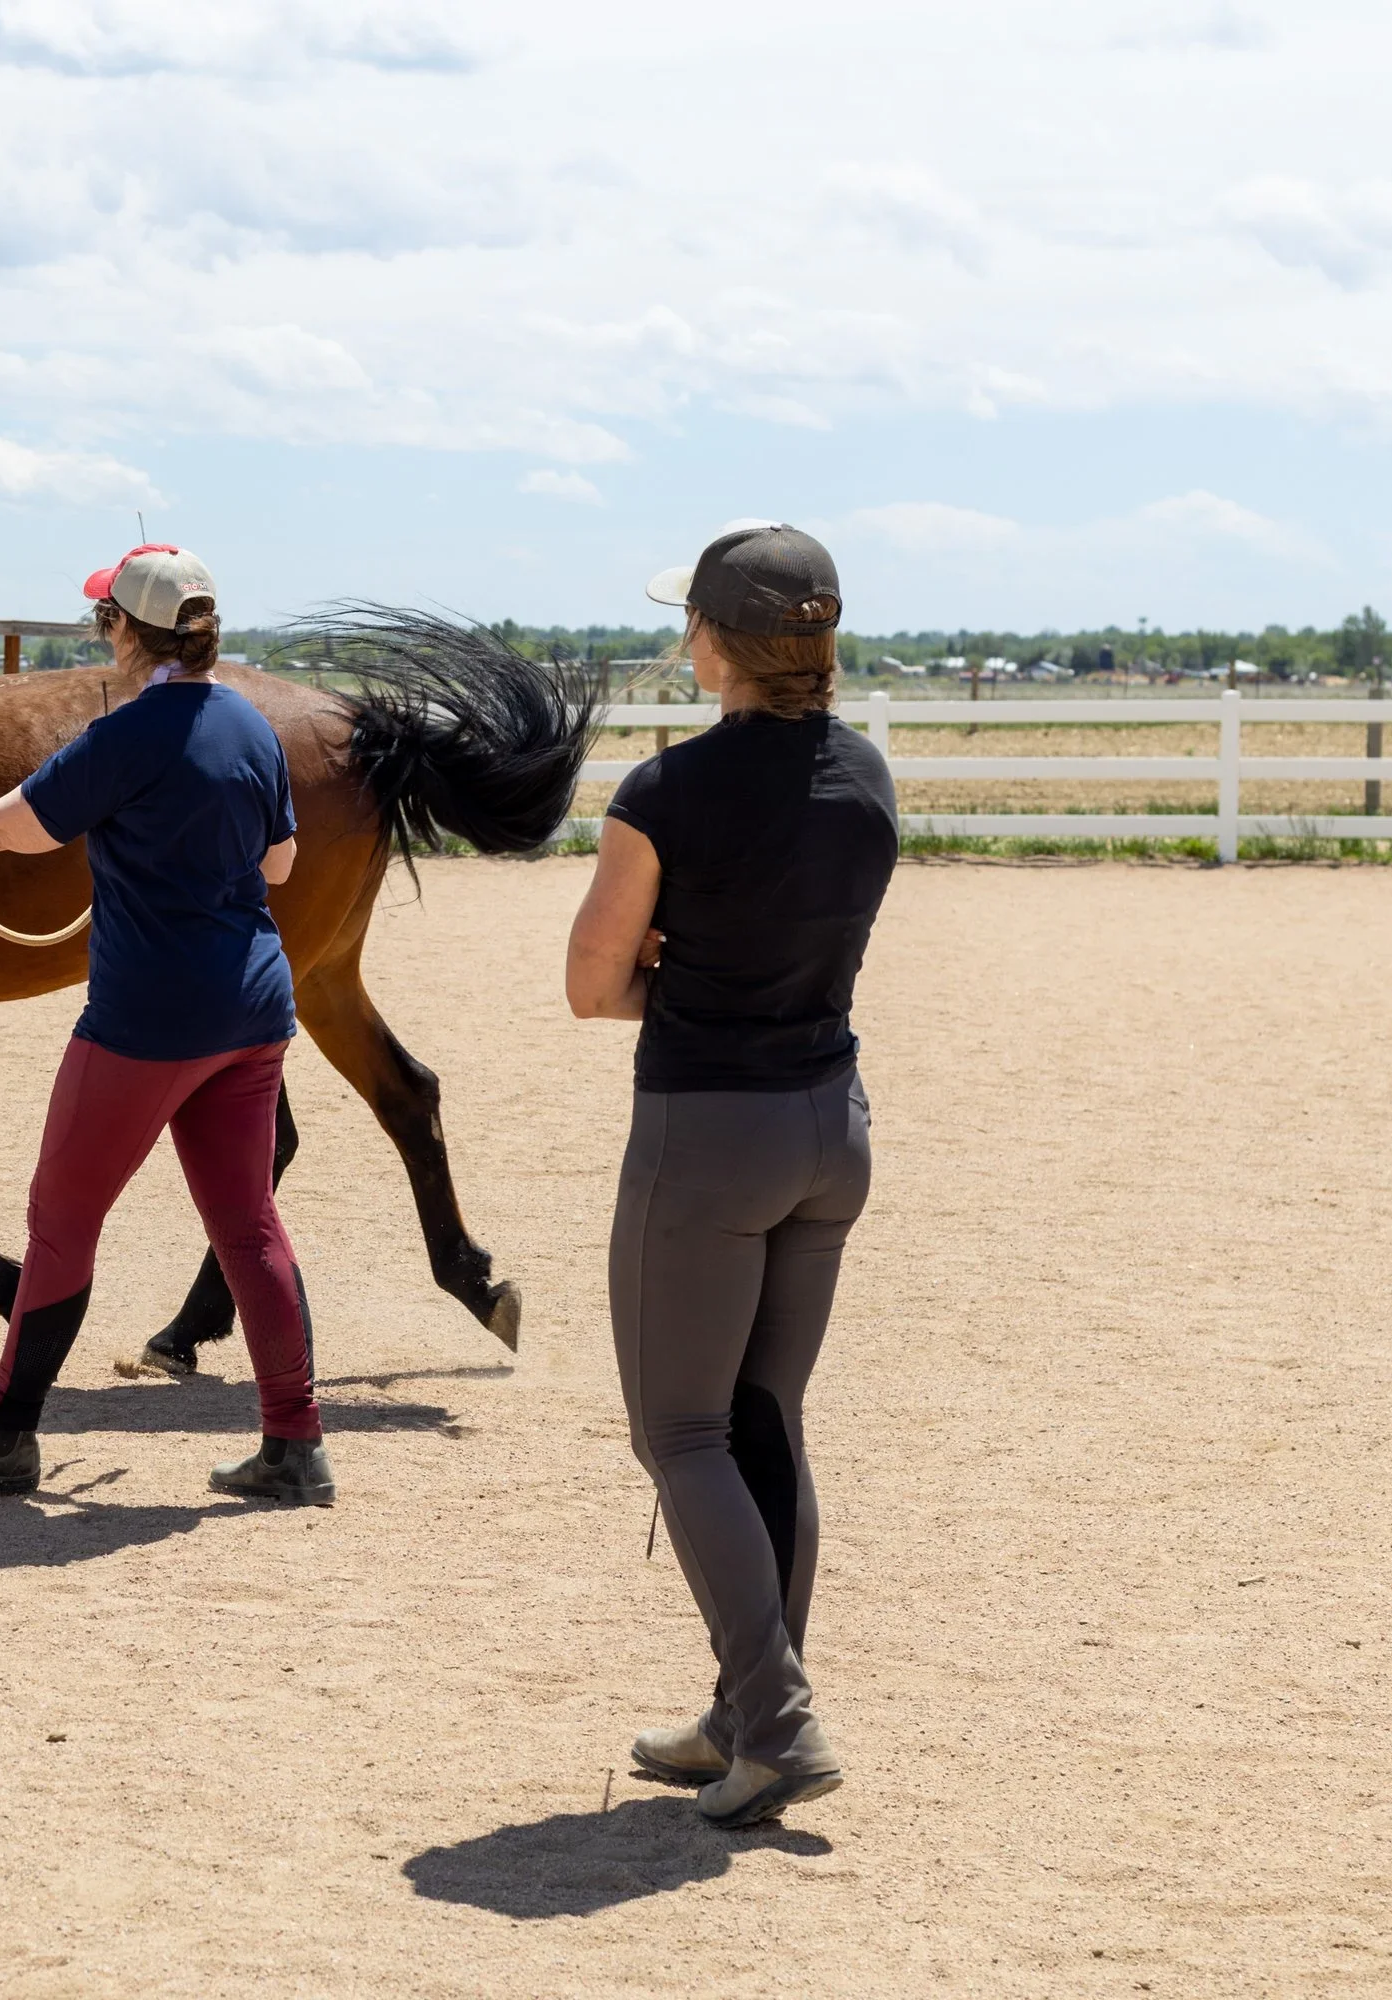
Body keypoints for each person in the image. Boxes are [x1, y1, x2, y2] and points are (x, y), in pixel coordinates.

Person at [0, 545, 333, 1504]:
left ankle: (0, 1435)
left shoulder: (128, 735)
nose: (99, 633)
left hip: (146, 1022)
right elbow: (279, 866)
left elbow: (2, 826)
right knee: (248, 1225)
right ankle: (294, 1445)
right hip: (252, 1011)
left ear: (125, 630)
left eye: (103, 619)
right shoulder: (248, 722)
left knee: (62, 1221)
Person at [566, 523, 897, 1828]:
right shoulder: (866, 777)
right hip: (830, 1125)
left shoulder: (667, 796)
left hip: (709, 1133)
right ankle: (739, 1711)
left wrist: (673, 966)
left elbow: (594, 989)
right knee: (764, 1421)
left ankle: (777, 1719)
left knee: (682, 1432)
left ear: (713, 644)